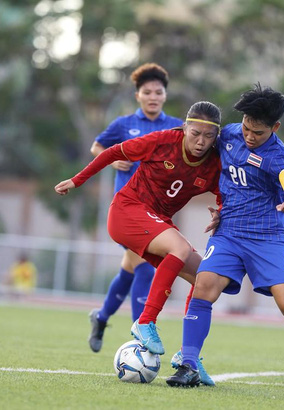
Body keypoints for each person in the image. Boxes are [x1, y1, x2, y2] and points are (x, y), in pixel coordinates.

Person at [166, 84, 284, 391]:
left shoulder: (280, 157)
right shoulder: (229, 134)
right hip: (229, 233)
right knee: (204, 286)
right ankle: (188, 363)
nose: (249, 136)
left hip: (268, 238)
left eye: (257, 132)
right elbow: (197, 141)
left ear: (275, 127)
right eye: (246, 127)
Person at [55, 101, 222, 386]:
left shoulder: (214, 162)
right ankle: (145, 322)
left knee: (206, 279)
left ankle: (189, 358)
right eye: (195, 133)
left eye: (208, 136)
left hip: (157, 222)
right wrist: (77, 180)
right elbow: (112, 152)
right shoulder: (162, 141)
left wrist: (220, 209)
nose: (201, 141)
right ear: (184, 127)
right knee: (179, 248)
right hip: (127, 211)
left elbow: (224, 193)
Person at [87, 63, 182, 354]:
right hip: (127, 208)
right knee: (145, 269)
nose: (153, 96)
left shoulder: (176, 126)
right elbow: (97, 148)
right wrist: (113, 159)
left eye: (158, 92)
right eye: (147, 92)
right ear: (137, 95)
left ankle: (101, 318)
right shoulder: (123, 124)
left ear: (165, 95)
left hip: (159, 209)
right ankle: (141, 335)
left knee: (130, 268)